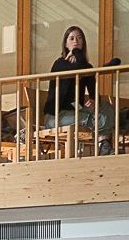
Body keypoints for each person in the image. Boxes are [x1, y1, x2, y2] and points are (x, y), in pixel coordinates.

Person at [43, 26, 114, 156]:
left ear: (83, 42)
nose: (76, 40)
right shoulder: (60, 64)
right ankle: (103, 144)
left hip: (75, 110)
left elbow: (94, 93)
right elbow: (77, 67)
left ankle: (103, 143)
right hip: (56, 116)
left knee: (106, 107)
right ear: (65, 44)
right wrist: (76, 53)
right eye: (71, 38)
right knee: (92, 118)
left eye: (79, 38)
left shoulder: (87, 67)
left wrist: (93, 101)